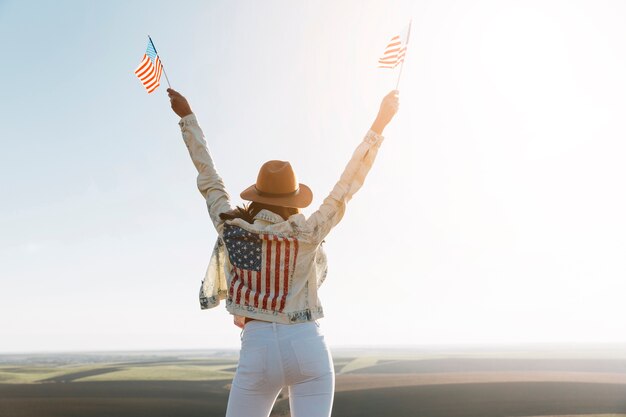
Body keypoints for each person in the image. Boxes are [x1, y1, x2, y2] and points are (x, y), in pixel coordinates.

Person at [168, 87, 399, 417]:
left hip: (257, 348)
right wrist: (380, 122)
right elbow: (346, 186)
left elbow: (209, 178)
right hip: (307, 346)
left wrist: (187, 117)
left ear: (258, 195)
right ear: (293, 201)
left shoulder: (233, 229)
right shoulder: (307, 233)